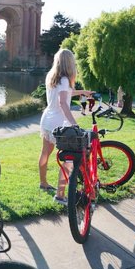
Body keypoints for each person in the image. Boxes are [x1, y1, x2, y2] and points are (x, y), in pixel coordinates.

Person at [38, 49, 94, 204]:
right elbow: (63, 102)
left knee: (45, 153)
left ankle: (43, 183)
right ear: (69, 62)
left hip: (47, 119)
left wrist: (83, 92)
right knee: (70, 158)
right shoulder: (64, 79)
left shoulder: (52, 76)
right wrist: (74, 124)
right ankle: (60, 195)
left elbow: (65, 93)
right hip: (59, 122)